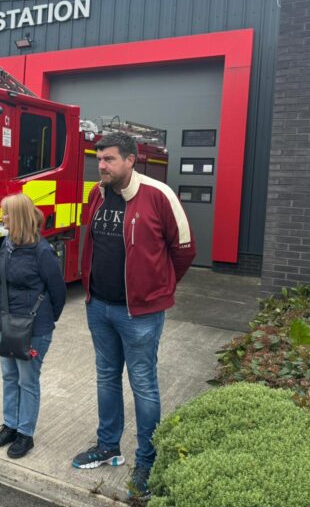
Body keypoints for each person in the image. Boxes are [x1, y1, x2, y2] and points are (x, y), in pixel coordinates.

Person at [72, 132, 196, 499]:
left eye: (109, 159)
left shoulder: (159, 195)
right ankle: (108, 445)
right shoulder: (97, 194)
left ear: (130, 159)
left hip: (140, 312)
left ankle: (147, 459)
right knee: (106, 378)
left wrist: (158, 286)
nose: (102, 165)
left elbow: (184, 250)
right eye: (99, 158)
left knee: (143, 385)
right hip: (100, 306)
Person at [0, 193, 66, 459]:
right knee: (9, 377)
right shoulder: (9, 243)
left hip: (32, 329)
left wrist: (44, 322)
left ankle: (25, 433)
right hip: (5, 323)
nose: (1, 217)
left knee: (27, 380)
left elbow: (58, 293)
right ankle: (10, 425)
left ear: (17, 216)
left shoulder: (42, 251)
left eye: (5, 213)